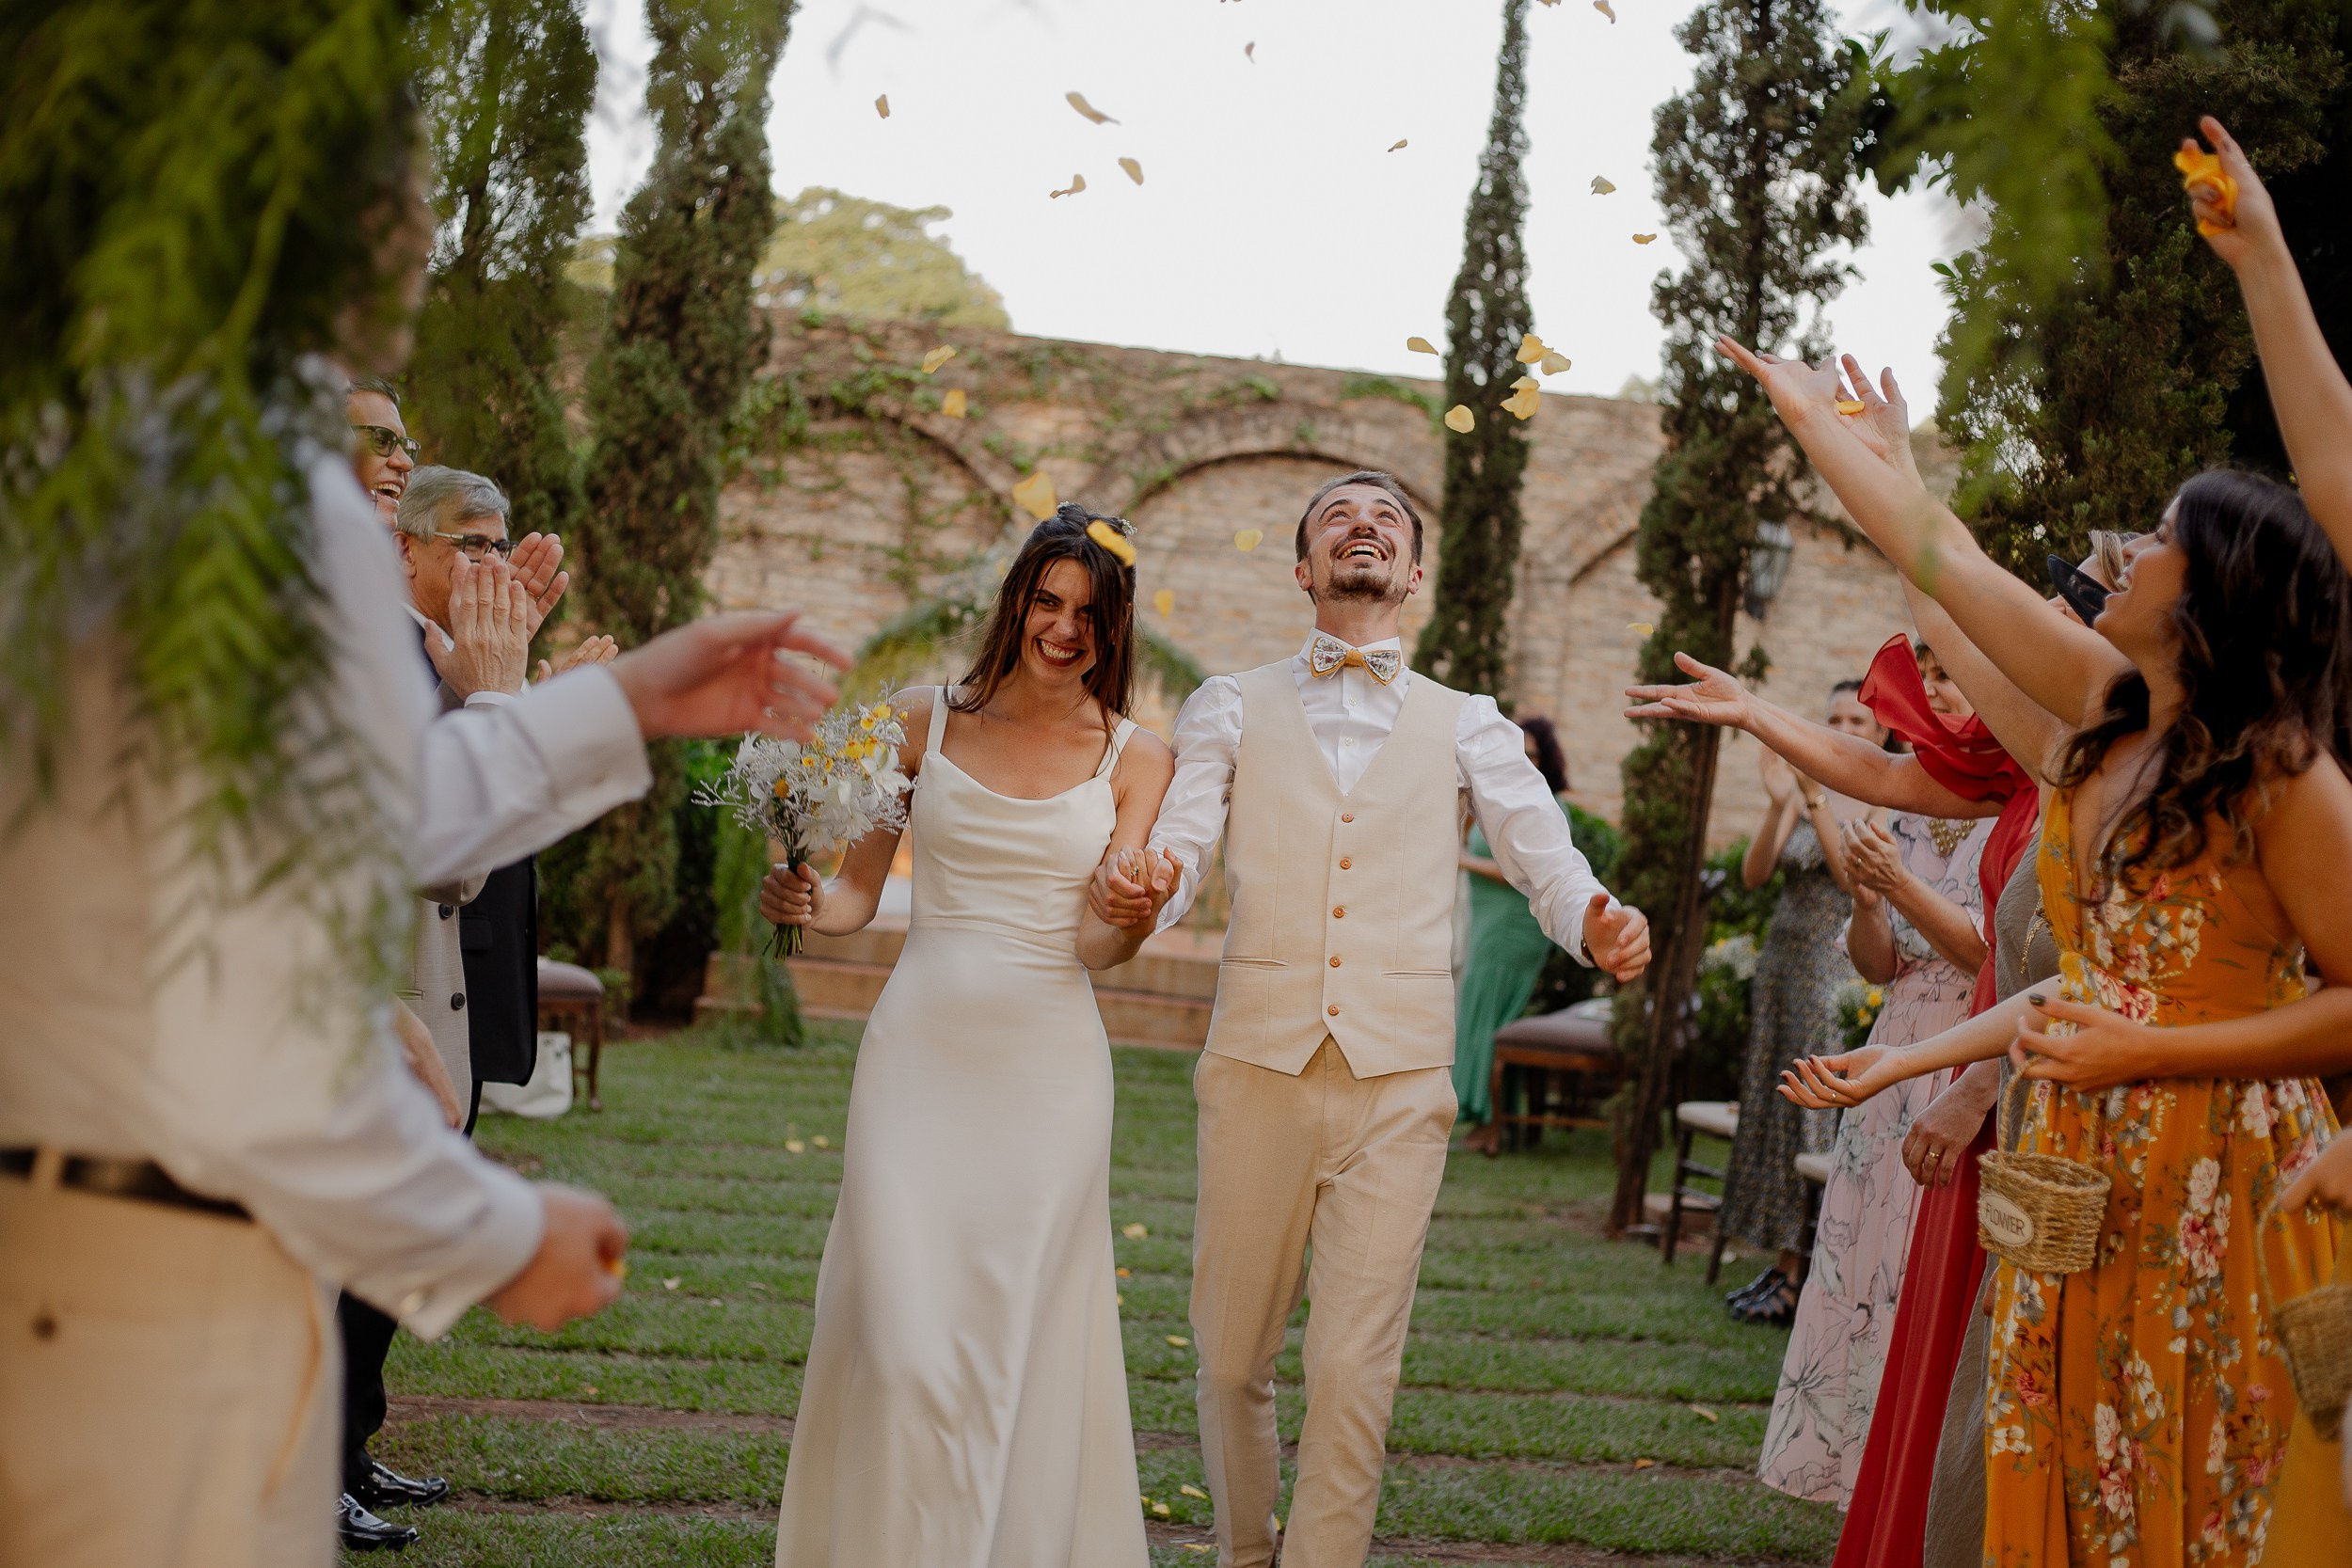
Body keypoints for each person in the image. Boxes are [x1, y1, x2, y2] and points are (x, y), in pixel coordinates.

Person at [0, 43, 852, 1562]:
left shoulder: (93, 428)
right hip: (149, 1283)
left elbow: (340, 821)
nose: (413, 230)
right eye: (392, 183)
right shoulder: (245, 476)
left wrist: (632, 697)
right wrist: (481, 1229)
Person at [1740, 339, 2352, 1566]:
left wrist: (2154, 1046)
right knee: (2063, 1467)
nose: (2117, 556)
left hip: (2218, 1173)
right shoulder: (2102, 714)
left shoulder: (2288, 777)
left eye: (2159, 536)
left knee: (2192, 1484)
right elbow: (1947, 565)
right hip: (2072, 1166)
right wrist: (1839, 442)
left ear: (2212, 589)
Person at [1102, 470, 1650, 1568]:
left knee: (1355, 1368)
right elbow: (1186, 841)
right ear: (1302, 568)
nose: (1366, 525)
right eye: (1339, 517)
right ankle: (1244, 1550)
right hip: (1256, 1062)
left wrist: (1594, 916)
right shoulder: (1228, 702)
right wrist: (1148, 888)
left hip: (1399, 1078)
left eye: (1388, 520)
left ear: (1412, 574)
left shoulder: (1470, 722)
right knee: (1226, 1360)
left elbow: (1541, 853)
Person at [758, 504, 1175, 1567]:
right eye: (1048, 600)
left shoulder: (1138, 757)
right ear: (1017, 601)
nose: (1064, 628)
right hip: (918, 1057)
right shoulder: (917, 719)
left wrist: (1128, 918)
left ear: (1114, 623)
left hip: (1049, 1074)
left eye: (1089, 610)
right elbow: (857, 900)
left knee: (1008, 1345)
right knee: (898, 1341)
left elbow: (1096, 941)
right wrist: (799, 902)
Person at [1756, 645, 1992, 1506]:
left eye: (1951, 674)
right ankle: (1860, 1483)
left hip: (1972, 1049)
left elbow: (1993, 953)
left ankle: (1923, 1491)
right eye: (1926, 677)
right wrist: (1866, 902)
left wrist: (1902, 885)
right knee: (1865, 1271)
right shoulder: (1909, 811)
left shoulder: (2020, 807)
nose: (1934, 688)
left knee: (1930, 1277)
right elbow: (1882, 964)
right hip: (1893, 1052)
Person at [1712, 688, 1878, 1326]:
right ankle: (1782, 1256)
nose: (1839, 727)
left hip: (1829, 966)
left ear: (1878, 729)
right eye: (1831, 717)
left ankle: (1802, 1264)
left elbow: (1849, 880)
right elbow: (1756, 873)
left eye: (1853, 719)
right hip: (1781, 958)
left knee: (1812, 1110)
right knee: (1774, 1105)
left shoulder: (1868, 794)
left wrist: (1813, 797)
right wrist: (1783, 802)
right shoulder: (1802, 794)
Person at [1453, 714, 1579, 1155]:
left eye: (1533, 755)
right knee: (1478, 1014)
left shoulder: (1548, 806)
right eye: (1517, 754)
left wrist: (1461, 862)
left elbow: (1521, 873)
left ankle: (1492, 1128)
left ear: (1547, 760)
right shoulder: (1499, 798)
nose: (1525, 762)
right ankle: (1482, 1118)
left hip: (1514, 928)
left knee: (1493, 1019)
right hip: (1487, 922)